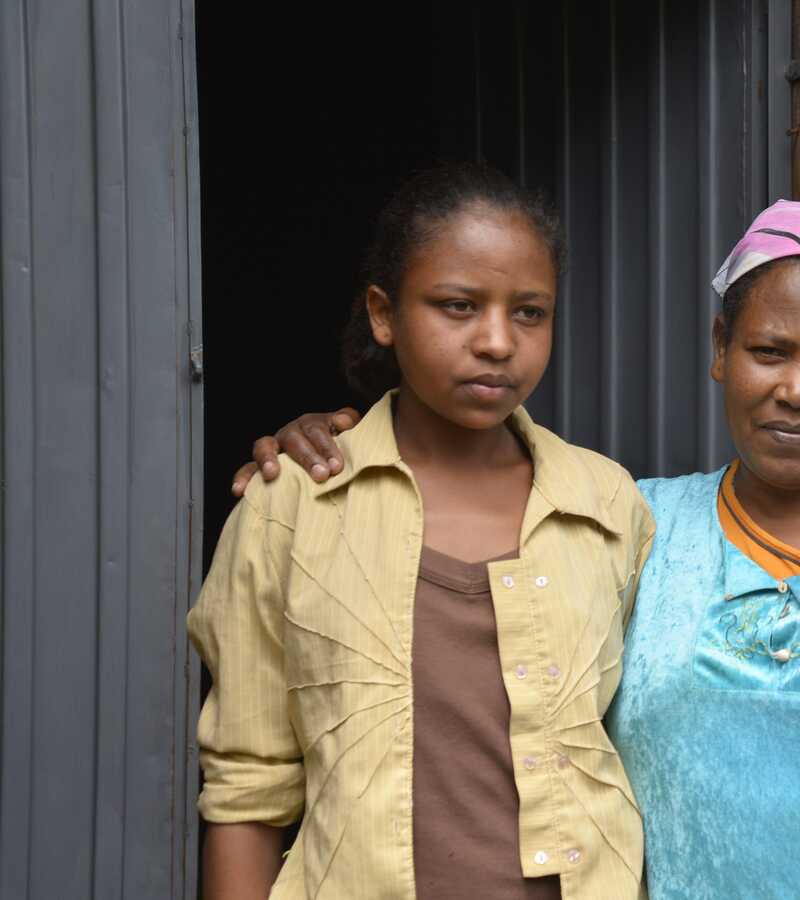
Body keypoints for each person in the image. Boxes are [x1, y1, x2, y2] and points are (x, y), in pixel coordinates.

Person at [237, 200, 800, 898]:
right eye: (768, 350)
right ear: (722, 350)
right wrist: (332, 444)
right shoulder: (631, 529)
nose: (797, 389)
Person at [190, 162, 652, 900]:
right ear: (384, 313)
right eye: (459, 306)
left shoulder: (609, 507)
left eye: (530, 312)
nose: (498, 341)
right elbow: (247, 788)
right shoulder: (294, 507)